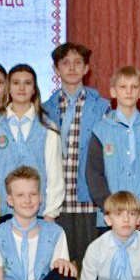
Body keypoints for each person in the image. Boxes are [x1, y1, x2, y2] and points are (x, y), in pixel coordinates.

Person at [42, 42, 111, 262]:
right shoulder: (45, 109)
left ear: (86, 68)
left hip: (89, 199)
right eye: (65, 63)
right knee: (59, 265)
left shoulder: (102, 107)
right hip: (57, 202)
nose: (72, 68)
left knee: (91, 266)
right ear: (56, 69)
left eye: (78, 63)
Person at [0, 64, 63, 223]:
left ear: (34, 89)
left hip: (39, 216)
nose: (21, 88)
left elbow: (55, 177)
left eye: (27, 83)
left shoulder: (48, 128)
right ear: (9, 88)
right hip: (3, 215)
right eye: (16, 83)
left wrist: (51, 213)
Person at [85, 65, 140, 238]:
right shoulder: (100, 130)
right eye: (123, 87)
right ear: (113, 92)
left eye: (134, 87)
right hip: (110, 219)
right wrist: (110, 208)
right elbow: (94, 174)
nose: (129, 92)